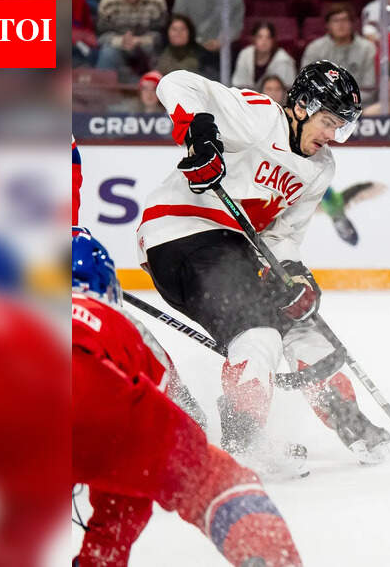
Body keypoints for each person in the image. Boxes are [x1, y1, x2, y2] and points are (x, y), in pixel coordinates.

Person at [136, 61, 390, 466]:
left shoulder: (321, 167)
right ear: (303, 106)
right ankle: (242, 444)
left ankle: (350, 421)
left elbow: (280, 236)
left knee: (300, 328)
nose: (332, 137)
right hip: (180, 234)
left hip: (236, 249)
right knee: (258, 332)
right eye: (328, 122)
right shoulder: (258, 116)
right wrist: (199, 133)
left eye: (340, 127)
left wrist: (295, 275)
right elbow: (177, 82)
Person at [72, 228, 302, 566]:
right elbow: (155, 427)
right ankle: (270, 556)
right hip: (87, 406)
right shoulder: (120, 323)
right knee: (213, 478)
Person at [94, 0, 168, 81]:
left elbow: (162, 35)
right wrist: (121, 41)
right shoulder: (108, 2)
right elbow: (100, 36)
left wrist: (139, 41)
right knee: (107, 53)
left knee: (154, 52)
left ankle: (153, 90)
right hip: (118, 45)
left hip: (146, 46)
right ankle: (103, 91)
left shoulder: (157, 2)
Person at [301, 3, 377, 91]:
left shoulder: (367, 48)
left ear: (352, 23)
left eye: (345, 20)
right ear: (327, 25)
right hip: (323, 103)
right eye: (335, 20)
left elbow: (370, 87)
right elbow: (306, 83)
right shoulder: (314, 48)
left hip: (362, 103)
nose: (341, 25)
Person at [172, 0, 245, 56]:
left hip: (223, 50)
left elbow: (236, 24)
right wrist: (196, 41)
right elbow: (178, 21)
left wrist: (221, 41)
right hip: (191, 47)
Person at [232, 21, 298, 91]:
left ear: (273, 40)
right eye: (260, 37)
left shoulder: (284, 60)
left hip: (275, 101)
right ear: (253, 39)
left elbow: (289, 90)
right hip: (246, 99)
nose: (264, 41)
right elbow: (238, 85)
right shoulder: (245, 54)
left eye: (268, 37)